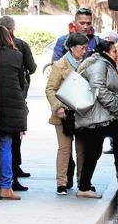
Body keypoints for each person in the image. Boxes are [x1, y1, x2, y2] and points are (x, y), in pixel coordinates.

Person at [74, 38, 118, 199]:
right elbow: (98, 88)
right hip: (97, 118)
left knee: (102, 150)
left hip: (103, 116)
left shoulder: (104, 63)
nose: (116, 54)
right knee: (93, 152)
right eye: (114, 51)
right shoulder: (99, 64)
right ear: (105, 51)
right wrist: (117, 107)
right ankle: (84, 186)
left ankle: (87, 184)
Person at [45, 32, 89, 195]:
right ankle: (61, 183)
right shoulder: (59, 65)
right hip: (63, 114)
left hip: (82, 113)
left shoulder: (86, 63)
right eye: (81, 48)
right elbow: (50, 89)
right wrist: (58, 107)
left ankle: (81, 182)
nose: (84, 51)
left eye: (86, 48)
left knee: (81, 149)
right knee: (64, 149)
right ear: (71, 48)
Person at [0, 15, 36, 191]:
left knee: (0, 143)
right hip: (15, 101)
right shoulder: (18, 51)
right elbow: (32, 68)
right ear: (12, 29)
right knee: (11, 142)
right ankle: (8, 182)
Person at [0, 26, 29, 201]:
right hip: (13, 104)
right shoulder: (17, 56)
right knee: (6, 144)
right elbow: (22, 82)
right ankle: (6, 186)